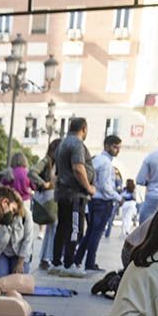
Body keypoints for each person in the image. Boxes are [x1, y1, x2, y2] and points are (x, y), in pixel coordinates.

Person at [53, 117, 97, 277]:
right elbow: (78, 168)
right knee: (74, 229)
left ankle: (56, 262)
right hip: (75, 194)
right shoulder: (77, 144)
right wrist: (89, 187)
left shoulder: (62, 144)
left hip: (63, 193)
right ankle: (69, 263)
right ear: (84, 129)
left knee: (62, 227)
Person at [73, 134, 122, 273]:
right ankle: (90, 262)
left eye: (119, 147)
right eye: (114, 147)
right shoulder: (106, 163)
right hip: (103, 202)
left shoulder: (96, 159)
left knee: (90, 232)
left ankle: (78, 259)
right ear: (107, 146)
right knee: (96, 233)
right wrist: (118, 198)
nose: (117, 150)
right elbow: (106, 186)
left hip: (93, 200)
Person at [0, 189, 36, 276]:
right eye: (12, 209)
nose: (12, 212)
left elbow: (28, 239)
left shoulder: (26, 215)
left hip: (19, 253)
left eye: (15, 210)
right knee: (0, 276)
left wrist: (20, 263)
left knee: (18, 278)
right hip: (2, 252)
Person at [34, 139, 61, 270]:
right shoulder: (47, 161)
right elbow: (32, 172)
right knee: (53, 228)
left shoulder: (55, 163)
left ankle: (46, 257)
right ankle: (47, 257)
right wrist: (43, 183)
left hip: (53, 198)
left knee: (53, 229)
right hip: (49, 198)